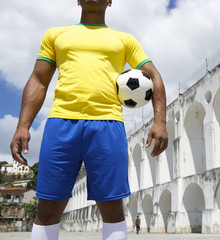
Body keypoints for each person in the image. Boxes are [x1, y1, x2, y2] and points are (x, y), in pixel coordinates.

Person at [10, 0, 168, 240]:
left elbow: (154, 76)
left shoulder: (125, 40)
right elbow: (39, 80)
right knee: (48, 207)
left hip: (108, 124)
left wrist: (160, 122)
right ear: (78, 0)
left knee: (112, 207)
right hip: (61, 123)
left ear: (110, 1)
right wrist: (23, 125)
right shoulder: (56, 35)